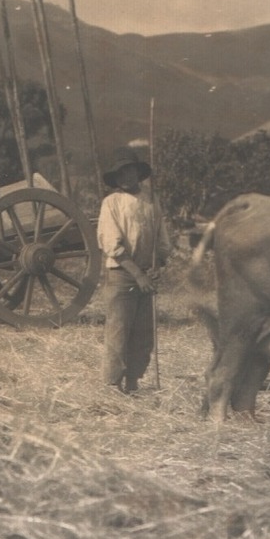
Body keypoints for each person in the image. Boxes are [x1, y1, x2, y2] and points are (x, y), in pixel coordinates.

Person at [98, 145, 171, 393]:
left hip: (146, 276)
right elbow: (112, 244)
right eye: (119, 174)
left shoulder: (151, 199)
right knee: (119, 331)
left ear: (137, 172)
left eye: (128, 171)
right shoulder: (111, 203)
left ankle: (133, 382)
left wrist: (156, 266)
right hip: (121, 274)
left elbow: (161, 240)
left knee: (143, 334)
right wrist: (137, 274)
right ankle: (112, 384)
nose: (124, 177)